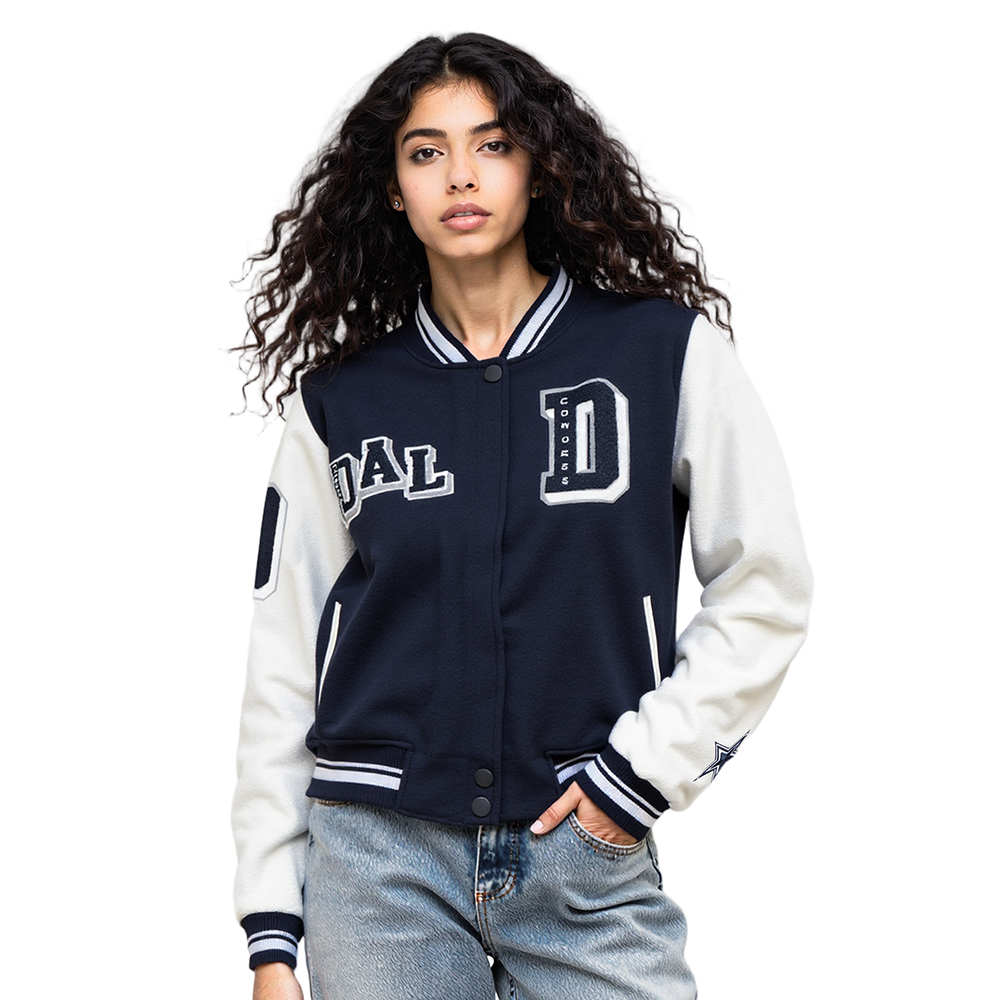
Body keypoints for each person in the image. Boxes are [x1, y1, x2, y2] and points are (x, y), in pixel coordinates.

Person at [231, 31, 812, 1000]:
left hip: (583, 850)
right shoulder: (341, 402)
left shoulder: (660, 355)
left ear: (539, 168)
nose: (460, 175)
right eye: (426, 151)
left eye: (493, 144)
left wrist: (639, 776)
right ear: (392, 187)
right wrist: (270, 929)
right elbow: (286, 657)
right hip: (376, 866)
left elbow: (766, 588)